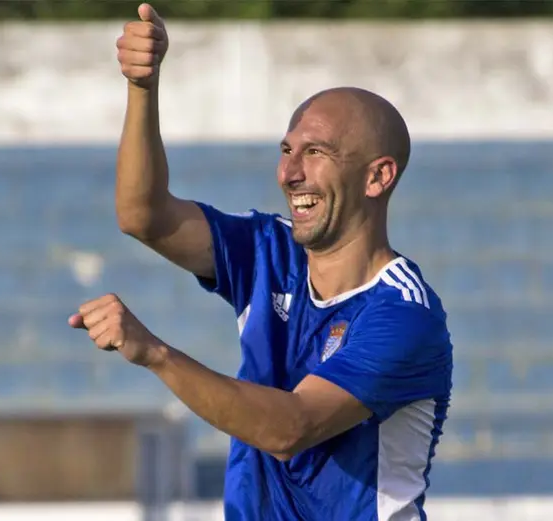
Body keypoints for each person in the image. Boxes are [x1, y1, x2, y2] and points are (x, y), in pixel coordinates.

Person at [69, 4, 453, 520]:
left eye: (315, 153)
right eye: (286, 150)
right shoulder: (268, 250)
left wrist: (155, 353)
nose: (289, 173)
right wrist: (142, 87)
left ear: (377, 177)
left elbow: (290, 429)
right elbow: (143, 215)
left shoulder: (404, 313)